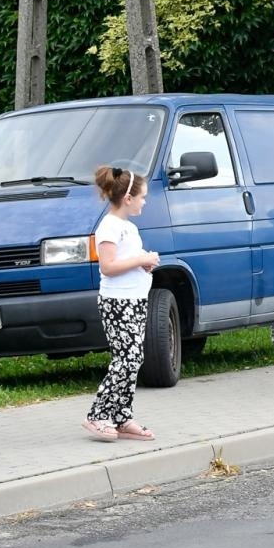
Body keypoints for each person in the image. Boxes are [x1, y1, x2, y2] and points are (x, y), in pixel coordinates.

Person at [83, 166, 160, 442]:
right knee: (125, 359)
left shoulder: (129, 227)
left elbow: (129, 260)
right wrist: (141, 260)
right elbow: (108, 266)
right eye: (142, 197)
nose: (144, 201)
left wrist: (145, 263)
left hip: (136, 300)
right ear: (127, 198)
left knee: (134, 359)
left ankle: (121, 416)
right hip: (117, 302)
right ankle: (97, 415)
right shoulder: (109, 226)